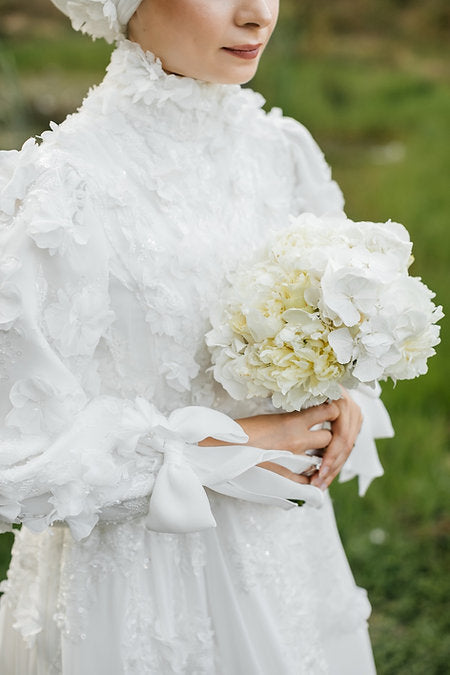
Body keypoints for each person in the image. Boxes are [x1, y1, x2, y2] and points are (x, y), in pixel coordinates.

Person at [0, 1, 394, 673]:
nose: (256, 15)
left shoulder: (279, 150)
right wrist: (232, 443)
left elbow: (335, 309)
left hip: (285, 549)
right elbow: (22, 457)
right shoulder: (63, 189)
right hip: (147, 574)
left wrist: (343, 394)